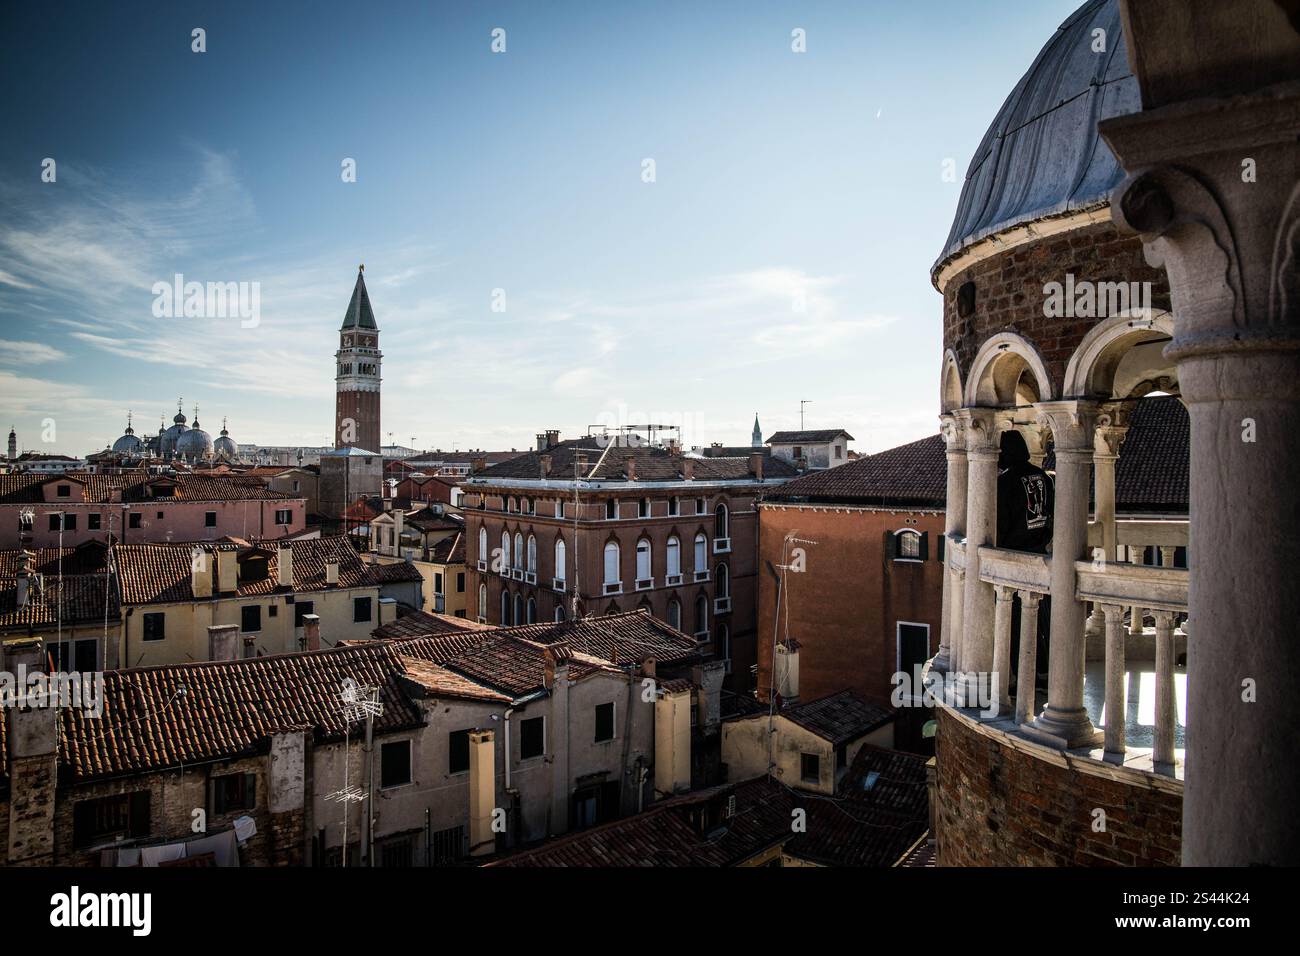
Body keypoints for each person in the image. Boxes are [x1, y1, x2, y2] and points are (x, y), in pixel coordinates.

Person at [996, 429, 1053, 693]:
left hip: (1014, 560)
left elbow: (1001, 523)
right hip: (1040, 553)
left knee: (1017, 622)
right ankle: (1044, 670)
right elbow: (1051, 517)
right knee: (1041, 618)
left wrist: (1001, 547)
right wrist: (1040, 541)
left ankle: (1024, 676)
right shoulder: (1042, 477)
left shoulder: (1006, 482)